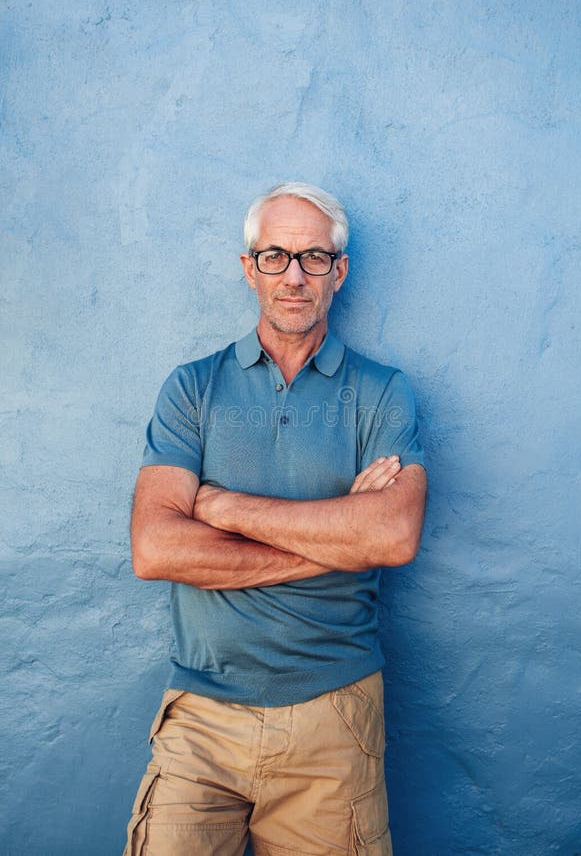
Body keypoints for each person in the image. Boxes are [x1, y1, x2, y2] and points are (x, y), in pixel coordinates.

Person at [124, 182, 427, 856]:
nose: (293, 276)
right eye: (275, 256)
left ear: (338, 272)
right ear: (248, 267)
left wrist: (221, 505)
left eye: (314, 258)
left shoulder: (381, 392)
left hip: (335, 713)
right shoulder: (193, 388)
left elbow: (393, 534)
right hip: (200, 717)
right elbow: (156, 548)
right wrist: (337, 537)